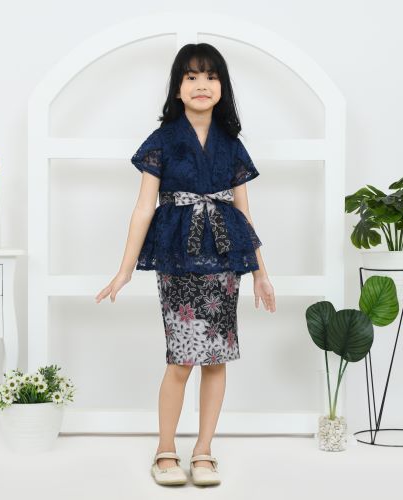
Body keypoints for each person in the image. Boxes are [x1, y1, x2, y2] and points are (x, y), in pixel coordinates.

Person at [95, 42, 276, 487]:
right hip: (177, 258)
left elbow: (244, 213)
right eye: (191, 76)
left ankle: (204, 451)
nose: (201, 85)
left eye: (211, 76)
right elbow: (143, 208)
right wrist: (124, 269)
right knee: (181, 359)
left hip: (223, 259)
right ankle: (165, 449)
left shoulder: (231, 145)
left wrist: (260, 272)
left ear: (222, 87)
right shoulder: (162, 141)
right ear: (177, 88)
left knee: (216, 359)